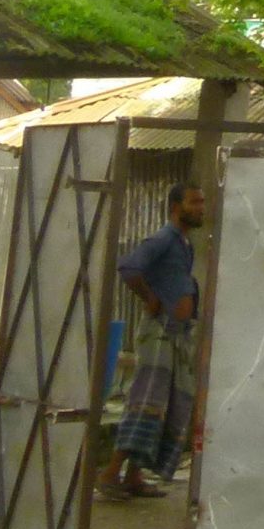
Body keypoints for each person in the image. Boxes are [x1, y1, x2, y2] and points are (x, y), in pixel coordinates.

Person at [99, 182, 206, 499]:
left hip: (176, 334)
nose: (201, 208)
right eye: (194, 202)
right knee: (148, 402)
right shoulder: (164, 238)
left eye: (202, 202)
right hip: (159, 332)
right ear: (176, 206)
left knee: (168, 405)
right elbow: (129, 266)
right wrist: (150, 297)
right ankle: (109, 474)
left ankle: (134, 476)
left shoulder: (185, 244)